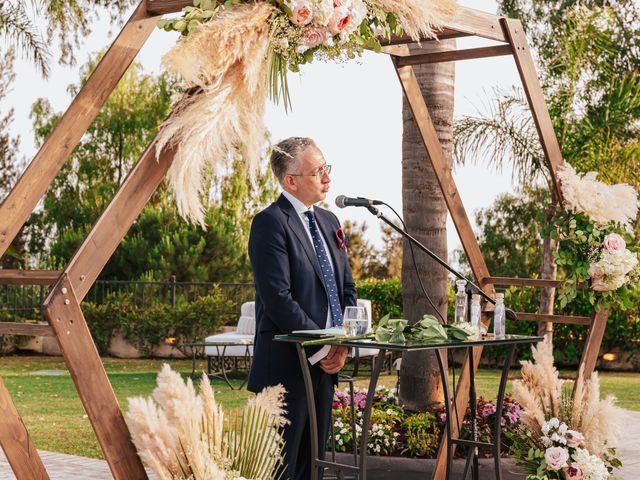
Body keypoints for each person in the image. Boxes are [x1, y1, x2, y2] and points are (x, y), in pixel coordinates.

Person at [247, 137, 357, 480]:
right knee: (282, 469)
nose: (327, 178)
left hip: (325, 368)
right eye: (317, 172)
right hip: (286, 369)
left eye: (327, 169)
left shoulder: (329, 222)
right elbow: (278, 298)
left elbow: (347, 289)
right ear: (290, 181)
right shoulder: (269, 223)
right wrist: (324, 344)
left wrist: (343, 344)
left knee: (314, 468)